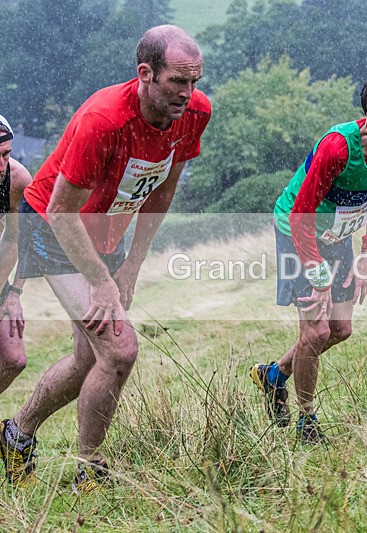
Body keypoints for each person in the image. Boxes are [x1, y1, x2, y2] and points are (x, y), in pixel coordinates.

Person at [0, 25, 211, 491]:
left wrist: (133, 262)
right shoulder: (103, 119)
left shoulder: (195, 112)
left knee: (88, 358)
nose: (188, 94)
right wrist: (101, 281)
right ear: (145, 73)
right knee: (119, 349)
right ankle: (89, 473)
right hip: (53, 228)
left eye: (195, 81)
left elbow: (164, 189)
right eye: (178, 80)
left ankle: (16, 434)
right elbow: (60, 212)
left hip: (105, 230)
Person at [251, 73, 367, 444]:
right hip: (298, 229)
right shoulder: (338, 148)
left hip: (337, 232)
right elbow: (300, 215)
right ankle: (307, 421)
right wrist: (318, 274)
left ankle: (274, 375)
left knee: (341, 328)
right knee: (316, 330)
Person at [0, 115, 31, 394]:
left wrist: (13, 293)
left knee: (14, 359)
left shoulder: (16, 179)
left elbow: (17, 240)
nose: (1, 165)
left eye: (5, 154)